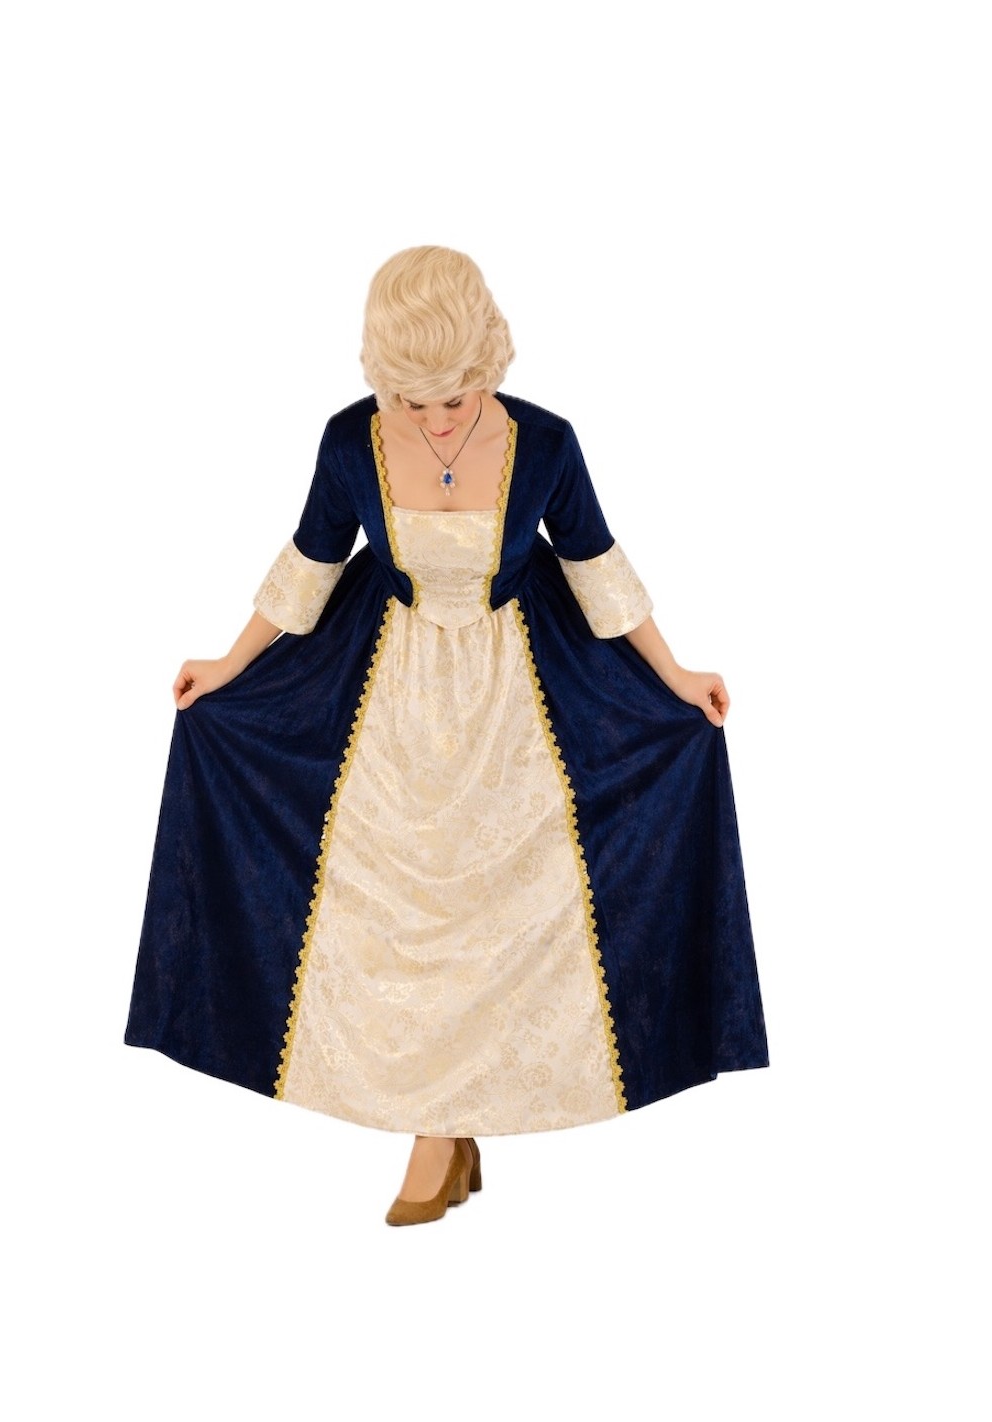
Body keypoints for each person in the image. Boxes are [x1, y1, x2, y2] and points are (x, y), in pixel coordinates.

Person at [124, 246, 768, 1226]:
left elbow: (594, 565)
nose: (433, 421)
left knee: (495, 914)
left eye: (454, 398)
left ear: (487, 362)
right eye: (409, 400)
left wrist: (676, 677)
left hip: (522, 697)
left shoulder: (545, 442)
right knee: (403, 919)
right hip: (384, 699)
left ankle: (450, 1129)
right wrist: (227, 663)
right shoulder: (350, 440)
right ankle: (437, 1130)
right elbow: (310, 563)